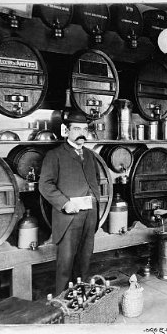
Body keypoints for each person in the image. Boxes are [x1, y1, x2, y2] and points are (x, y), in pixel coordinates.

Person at [39, 109, 101, 294]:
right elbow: (45, 185)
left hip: (90, 215)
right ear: (67, 131)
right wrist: (65, 203)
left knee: (84, 262)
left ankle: (80, 300)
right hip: (68, 217)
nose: (82, 133)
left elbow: (96, 179)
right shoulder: (54, 155)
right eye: (77, 129)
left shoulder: (90, 155)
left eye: (85, 129)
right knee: (65, 265)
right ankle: (62, 305)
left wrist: (95, 199)